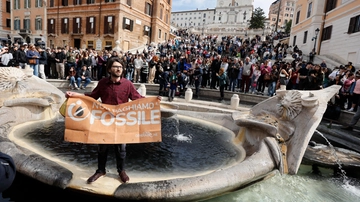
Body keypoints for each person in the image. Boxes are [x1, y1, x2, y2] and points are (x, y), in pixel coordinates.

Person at [65, 57, 161, 184]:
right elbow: (92, 97)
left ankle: (121, 171)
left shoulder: (127, 84)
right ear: (109, 69)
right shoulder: (103, 83)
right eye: (116, 67)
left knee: (121, 148)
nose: (118, 69)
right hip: (105, 120)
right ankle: (100, 170)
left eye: (120, 67)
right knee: (102, 147)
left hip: (122, 120)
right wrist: (75, 95)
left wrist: (154, 100)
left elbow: (138, 98)